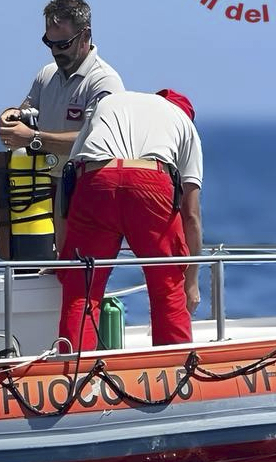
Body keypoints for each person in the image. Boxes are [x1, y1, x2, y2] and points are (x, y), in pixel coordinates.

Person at [55, 89, 203, 351]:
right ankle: (176, 373)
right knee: (167, 288)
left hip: (96, 180)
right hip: (151, 183)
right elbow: (191, 215)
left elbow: (69, 183)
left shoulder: (110, 102)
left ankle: (74, 378)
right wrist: (191, 282)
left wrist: (65, 259)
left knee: (82, 292)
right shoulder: (184, 124)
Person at [0, 0, 124, 246]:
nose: (55, 51)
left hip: (85, 193)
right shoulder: (47, 75)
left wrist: (33, 139)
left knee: (77, 270)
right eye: (49, 43)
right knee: (40, 267)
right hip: (44, 189)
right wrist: (10, 117)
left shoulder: (104, 82)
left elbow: (94, 143)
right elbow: (25, 110)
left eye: (63, 44)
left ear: (85, 36)